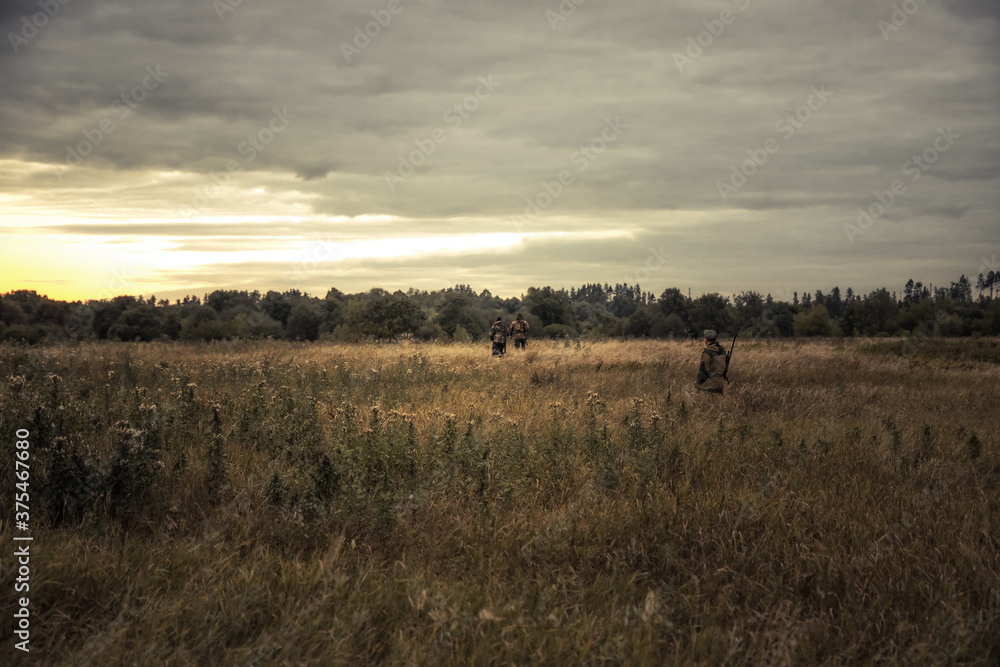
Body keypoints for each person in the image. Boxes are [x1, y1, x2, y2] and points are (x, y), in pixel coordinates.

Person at [696, 329, 727, 394]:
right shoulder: (722, 350)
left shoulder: (707, 352)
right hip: (721, 383)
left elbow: (703, 370)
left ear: (706, 339)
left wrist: (698, 386)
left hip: (709, 385)